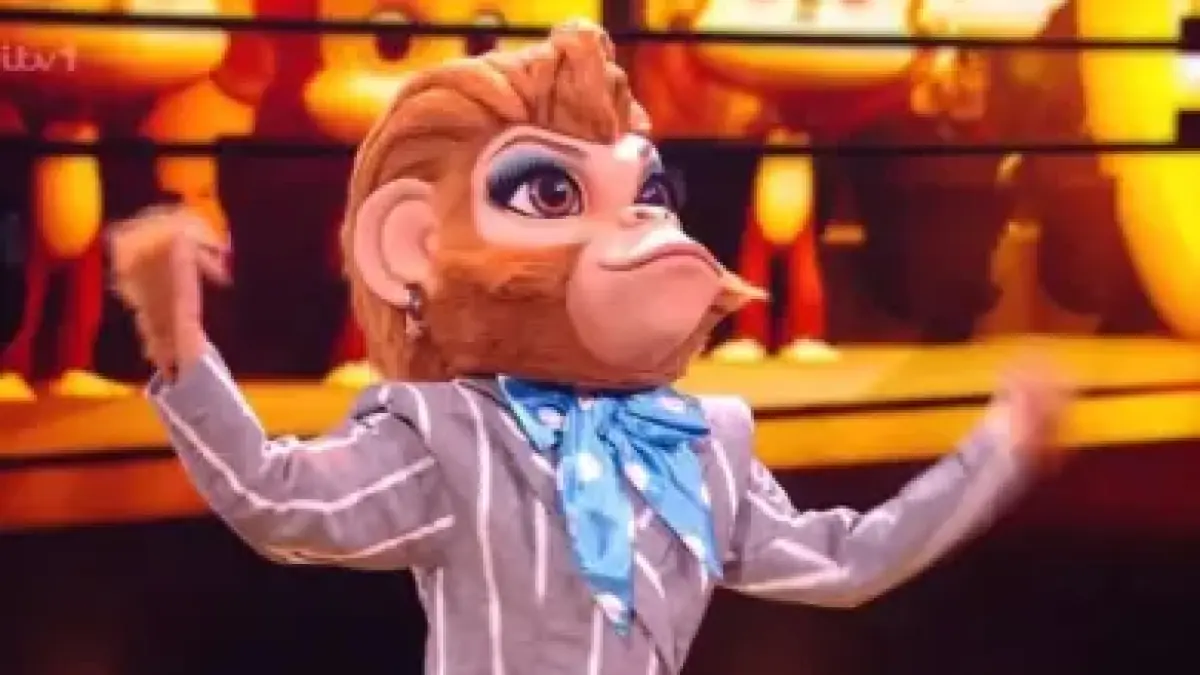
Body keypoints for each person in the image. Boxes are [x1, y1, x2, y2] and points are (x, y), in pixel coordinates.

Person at [109, 20, 1070, 675]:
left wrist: (997, 452)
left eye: (645, 191)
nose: (638, 223)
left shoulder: (702, 446)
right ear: (415, 247)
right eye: (551, 191)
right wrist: (177, 337)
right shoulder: (450, 439)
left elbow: (847, 560)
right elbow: (280, 501)